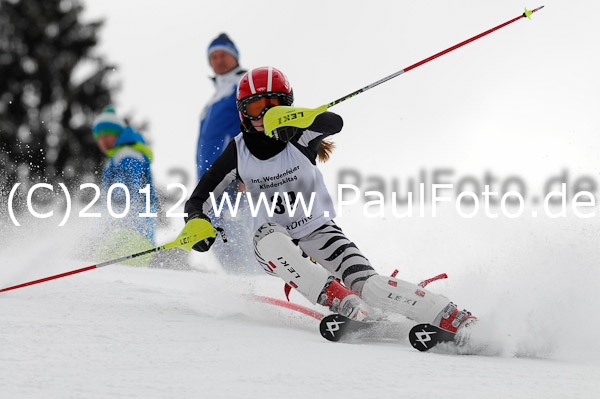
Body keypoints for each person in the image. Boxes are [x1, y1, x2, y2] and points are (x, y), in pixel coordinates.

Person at [184, 67, 475, 332]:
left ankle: (451, 317)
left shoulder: (300, 136)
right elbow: (199, 197)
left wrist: (297, 121)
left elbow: (334, 121)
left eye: (273, 106)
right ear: (243, 113)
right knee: (270, 237)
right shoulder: (238, 151)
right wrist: (196, 221)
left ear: (287, 104)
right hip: (272, 243)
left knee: (369, 284)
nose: (264, 116)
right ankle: (343, 302)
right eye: (256, 108)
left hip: (320, 231)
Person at [196, 33, 256, 273]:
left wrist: (245, 172)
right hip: (212, 180)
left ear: (235, 57)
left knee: (241, 231)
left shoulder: (243, 85)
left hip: (233, 176)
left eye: (223, 55)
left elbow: (254, 126)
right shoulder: (212, 100)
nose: (218, 60)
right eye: (213, 57)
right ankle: (242, 285)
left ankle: (261, 280)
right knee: (218, 234)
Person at [92, 106, 158, 265]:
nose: (102, 140)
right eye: (98, 137)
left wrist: (114, 224)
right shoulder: (120, 155)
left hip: (129, 233)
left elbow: (124, 194)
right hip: (132, 234)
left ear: (117, 134)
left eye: (106, 134)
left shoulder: (126, 155)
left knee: (103, 276)